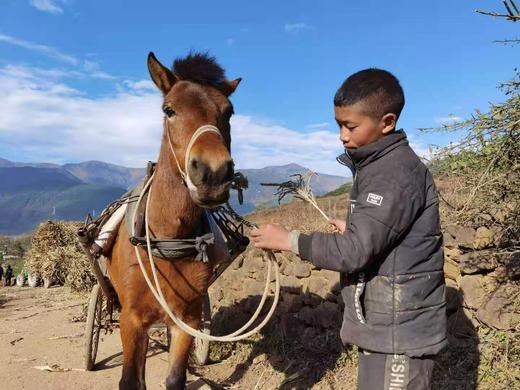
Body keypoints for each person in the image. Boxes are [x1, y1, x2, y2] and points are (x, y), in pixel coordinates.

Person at [251, 68, 447, 390]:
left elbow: (355, 253)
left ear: (386, 122)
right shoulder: (379, 167)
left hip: (399, 333)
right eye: (339, 125)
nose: (342, 135)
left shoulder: (392, 173)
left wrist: (289, 239)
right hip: (386, 328)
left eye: (350, 126)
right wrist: (355, 228)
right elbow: (383, 233)